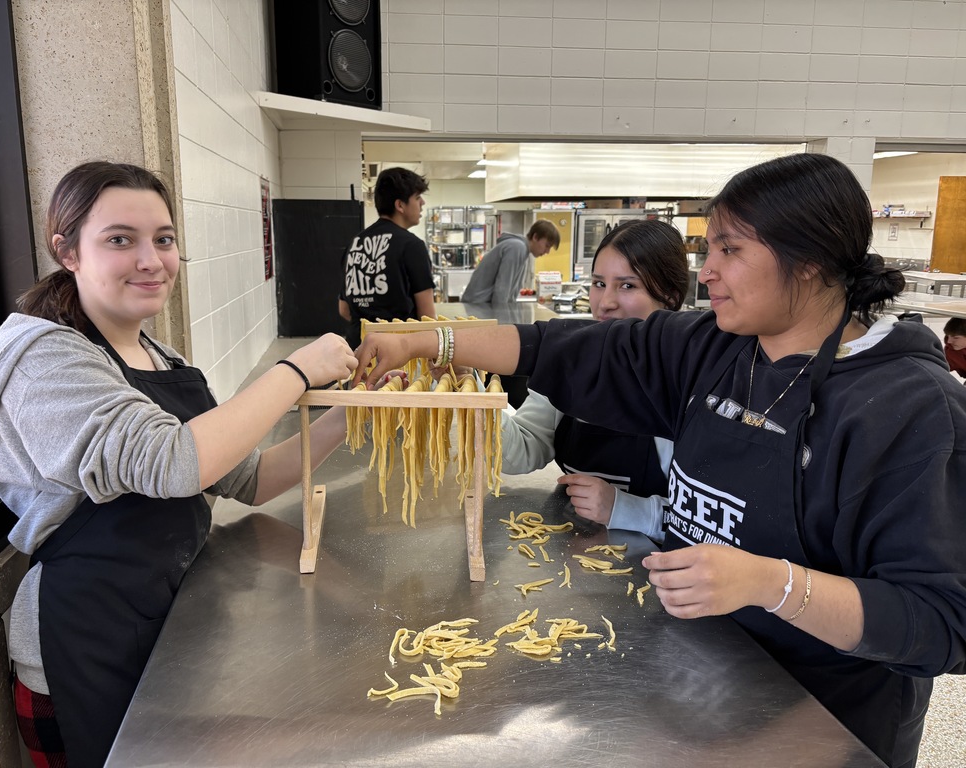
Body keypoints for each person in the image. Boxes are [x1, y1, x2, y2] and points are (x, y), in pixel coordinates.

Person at [354, 152, 966, 768]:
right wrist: (433, 342)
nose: (708, 271)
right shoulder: (716, 348)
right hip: (704, 685)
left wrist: (771, 583)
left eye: (730, 250)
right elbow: (570, 350)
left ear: (808, 261)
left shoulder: (908, 408)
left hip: (825, 723)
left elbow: (941, 620)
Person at [0, 161, 361, 767]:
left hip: (165, 627)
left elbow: (250, 478)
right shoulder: (44, 359)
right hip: (83, 651)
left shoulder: (160, 355)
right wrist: (297, 370)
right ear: (68, 251)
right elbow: (173, 463)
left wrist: (357, 414)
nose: (151, 260)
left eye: (164, 239)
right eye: (119, 239)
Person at [500, 219, 688, 540]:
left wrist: (624, 508)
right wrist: (468, 395)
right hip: (578, 548)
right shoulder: (576, 358)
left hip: (659, 562)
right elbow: (522, 449)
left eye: (627, 286)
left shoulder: (689, 380)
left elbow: (717, 526)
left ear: (670, 297)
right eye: (599, 283)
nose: (605, 303)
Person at [338, 166, 436, 348]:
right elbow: (427, 317)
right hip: (398, 353)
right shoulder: (412, 246)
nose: (422, 203)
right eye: (417, 197)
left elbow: (344, 309)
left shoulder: (354, 244)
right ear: (400, 205)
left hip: (356, 351)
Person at [459, 219, 560, 304]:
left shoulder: (521, 249)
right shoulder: (517, 248)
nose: (547, 251)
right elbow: (502, 290)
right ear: (535, 237)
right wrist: (502, 319)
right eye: (547, 246)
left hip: (480, 306)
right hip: (478, 307)